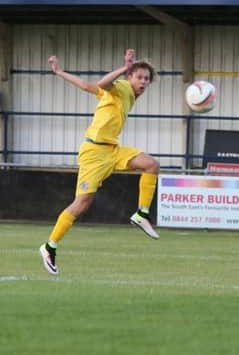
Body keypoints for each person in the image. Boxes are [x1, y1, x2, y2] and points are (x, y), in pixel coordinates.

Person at [38, 49, 160, 276]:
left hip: (112, 149)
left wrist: (60, 72)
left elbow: (86, 85)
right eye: (139, 77)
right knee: (81, 204)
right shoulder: (121, 86)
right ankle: (49, 246)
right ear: (130, 77)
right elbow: (103, 83)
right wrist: (125, 67)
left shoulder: (128, 94)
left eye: (147, 79)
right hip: (94, 152)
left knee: (151, 164)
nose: (143, 82)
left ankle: (141, 214)